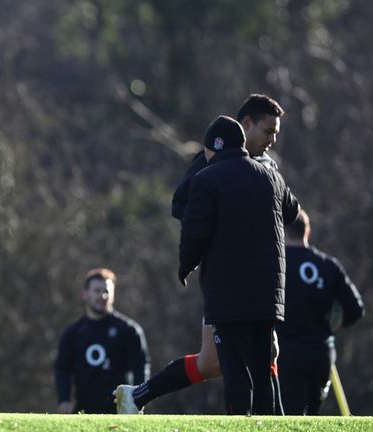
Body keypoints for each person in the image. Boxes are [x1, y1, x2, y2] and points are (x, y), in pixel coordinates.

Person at [114, 94, 288, 413]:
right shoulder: (212, 161)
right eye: (268, 131)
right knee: (228, 359)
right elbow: (183, 205)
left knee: (220, 361)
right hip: (226, 276)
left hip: (253, 277)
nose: (272, 139)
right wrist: (220, 230)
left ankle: (137, 396)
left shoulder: (266, 167)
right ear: (245, 125)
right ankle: (273, 419)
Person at [277, 209, 365, 415]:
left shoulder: (276, 266)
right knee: (312, 417)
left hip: (288, 353)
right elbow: (355, 309)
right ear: (306, 232)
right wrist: (331, 325)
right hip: (321, 352)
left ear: (282, 231)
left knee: (287, 417)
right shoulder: (328, 265)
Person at [54, 268, 151, 414]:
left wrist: (139, 400)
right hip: (82, 410)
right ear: (85, 294)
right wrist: (64, 400)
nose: (102, 295)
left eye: (106, 291)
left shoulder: (129, 330)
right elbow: (62, 369)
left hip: (119, 411)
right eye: (97, 291)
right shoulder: (72, 333)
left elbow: (141, 368)